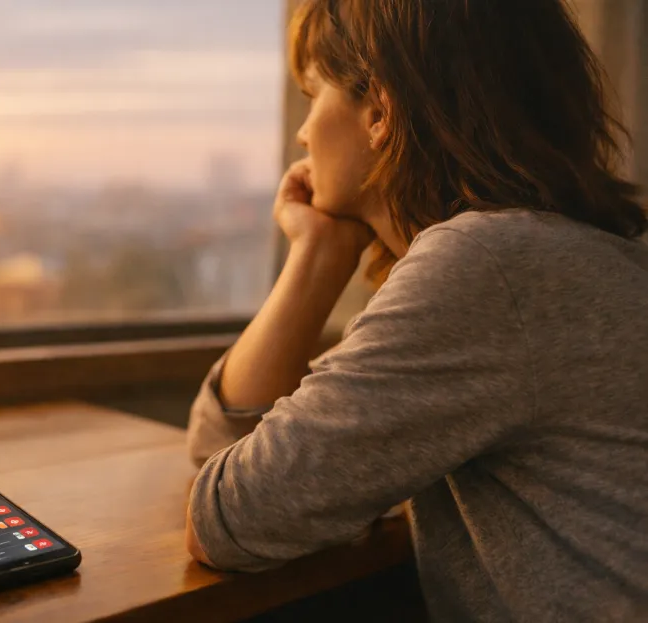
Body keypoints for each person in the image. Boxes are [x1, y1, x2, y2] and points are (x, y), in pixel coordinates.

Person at [184, 0, 648, 621]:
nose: (302, 132)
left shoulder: (491, 265)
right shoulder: (563, 257)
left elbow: (229, 519)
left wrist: (316, 254)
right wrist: (320, 255)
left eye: (314, 91)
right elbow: (229, 444)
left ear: (379, 110)